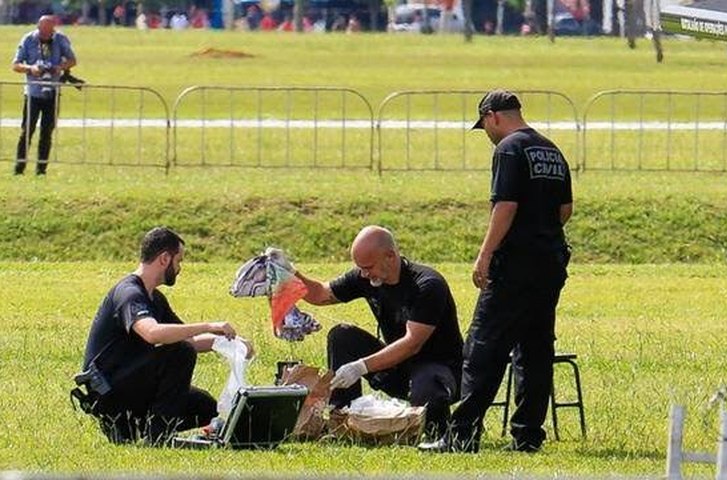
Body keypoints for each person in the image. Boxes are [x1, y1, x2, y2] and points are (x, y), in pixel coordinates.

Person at [420, 90, 573, 453]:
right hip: (549, 264)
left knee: (483, 348)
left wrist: (485, 254)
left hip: (514, 267)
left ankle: (462, 434)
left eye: (484, 125)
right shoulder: (551, 150)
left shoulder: (508, 149)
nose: (486, 132)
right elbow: (565, 210)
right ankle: (527, 435)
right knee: (534, 351)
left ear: (493, 116)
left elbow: (505, 205)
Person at [78, 226, 253, 446]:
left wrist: (232, 343)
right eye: (178, 261)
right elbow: (152, 333)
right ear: (164, 258)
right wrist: (208, 325)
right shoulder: (129, 293)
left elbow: (186, 339)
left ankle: (133, 429)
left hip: (130, 384)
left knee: (205, 407)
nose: (179, 268)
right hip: (110, 393)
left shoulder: (155, 298)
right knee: (180, 353)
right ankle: (157, 437)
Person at [296, 225, 464, 440]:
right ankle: (342, 420)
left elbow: (412, 343)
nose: (364, 274)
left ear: (390, 256)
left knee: (427, 382)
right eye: (360, 268)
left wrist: (360, 367)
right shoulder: (366, 277)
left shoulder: (428, 285)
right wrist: (290, 274)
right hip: (399, 369)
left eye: (368, 267)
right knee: (342, 335)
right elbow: (320, 294)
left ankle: (437, 430)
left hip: (441, 370)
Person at [11, 14, 77, 175]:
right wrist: (31, 69)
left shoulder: (60, 39)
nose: (47, 34)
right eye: (44, 31)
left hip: (52, 91)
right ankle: (19, 168)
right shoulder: (28, 40)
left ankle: (41, 169)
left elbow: (72, 60)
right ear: (38, 27)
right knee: (27, 131)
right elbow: (15, 65)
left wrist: (59, 67)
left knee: (47, 132)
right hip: (33, 93)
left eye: (50, 31)